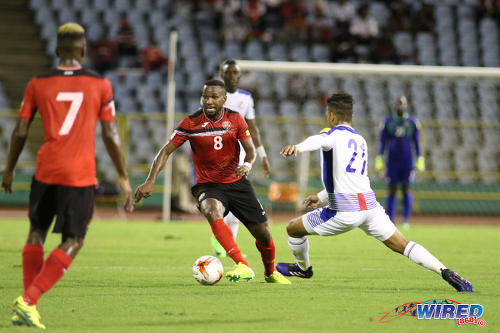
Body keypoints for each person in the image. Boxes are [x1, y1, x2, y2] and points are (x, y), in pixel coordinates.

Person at [1, 23, 134, 329]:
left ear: (57, 50)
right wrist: (123, 176)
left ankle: (27, 304)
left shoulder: (37, 83)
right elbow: (111, 133)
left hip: (45, 170)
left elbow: (20, 130)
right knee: (73, 239)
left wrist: (9, 168)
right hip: (79, 174)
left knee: (36, 233)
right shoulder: (100, 84)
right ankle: (29, 300)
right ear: (84, 50)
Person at [276, 92, 473, 293]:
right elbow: (351, 179)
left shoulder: (331, 134)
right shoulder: (360, 141)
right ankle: (446, 271)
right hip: (370, 208)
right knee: (403, 245)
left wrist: (297, 148)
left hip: (344, 212)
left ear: (332, 116)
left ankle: (303, 269)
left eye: (328, 113)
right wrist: (321, 197)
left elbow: (315, 141)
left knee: (292, 228)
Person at [134, 79, 290, 284]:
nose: (209, 101)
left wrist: (247, 165)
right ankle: (242, 263)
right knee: (210, 209)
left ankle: (270, 273)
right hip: (208, 184)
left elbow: (250, 151)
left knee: (263, 233)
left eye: (214, 97)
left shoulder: (236, 119)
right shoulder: (190, 123)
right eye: (205, 96)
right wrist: (150, 180)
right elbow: (165, 151)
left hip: (236, 182)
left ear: (224, 99)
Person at [209, 59, 271, 257]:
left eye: (236, 73)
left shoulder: (246, 98)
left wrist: (262, 155)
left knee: (236, 196)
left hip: (241, 154)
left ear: (240, 76)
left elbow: (252, 128)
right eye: (228, 73)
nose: (232, 76)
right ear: (221, 74)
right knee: (224, 197)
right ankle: (224, 237)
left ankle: (227, 242)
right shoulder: (213, 95)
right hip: (218, 153)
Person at [375, 96, 424, 228]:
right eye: (398, 103)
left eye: (403, 104)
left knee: (406, 188)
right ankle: (390, 220)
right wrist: (379, 157)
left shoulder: (413, 122)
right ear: (394, 105)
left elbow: (417, 142)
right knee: (391, 189)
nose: (400, 106)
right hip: (392, 162)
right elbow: (383, 142)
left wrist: (420, 157)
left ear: (406, 105)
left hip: (407, 162)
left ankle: (405, 220)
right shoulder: (388, 122)